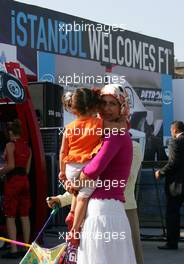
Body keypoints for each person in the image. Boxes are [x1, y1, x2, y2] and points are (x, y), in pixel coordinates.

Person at [64, 84, 136, 264]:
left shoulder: (116, 134)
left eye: (113, 103)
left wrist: (74, 183)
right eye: (103, 103)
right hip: (106, 211)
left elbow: (93, 169)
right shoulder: (110, 132)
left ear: (122, 106)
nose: (107, 108)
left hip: (103, 211)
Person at [59, 88, 103, 242]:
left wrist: (62, 172)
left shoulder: (69, 128)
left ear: (74, 108)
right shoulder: (99, 123)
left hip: (71, 167)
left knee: (76, 193)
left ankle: (71, 213)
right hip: (87, 166)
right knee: (83, 197)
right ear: (93, 106)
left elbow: (63, 152)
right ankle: (76, 230)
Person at [0, 119, 32, 259]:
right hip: (24, 181)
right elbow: (27, 169)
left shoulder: (9, 145)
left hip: (12, 182)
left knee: (10, 216)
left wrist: (1, 171)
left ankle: (13, 249)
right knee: (24, 215)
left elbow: (11, 165)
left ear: (11, 132)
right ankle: (26, 247)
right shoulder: (27, 147)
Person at [155, 121, 184, 250]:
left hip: (176, 185)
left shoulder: (174, 142)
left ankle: (172, 242)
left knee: (172, 214)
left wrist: (160, 172)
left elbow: (173, 163)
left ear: (174, 130)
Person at [124, 140, 144, 264]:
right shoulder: (97, 144)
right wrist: (62, 199)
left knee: (132, 252)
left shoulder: (133, 147)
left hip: (126, 208)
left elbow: (128, 177)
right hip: (96, 209)